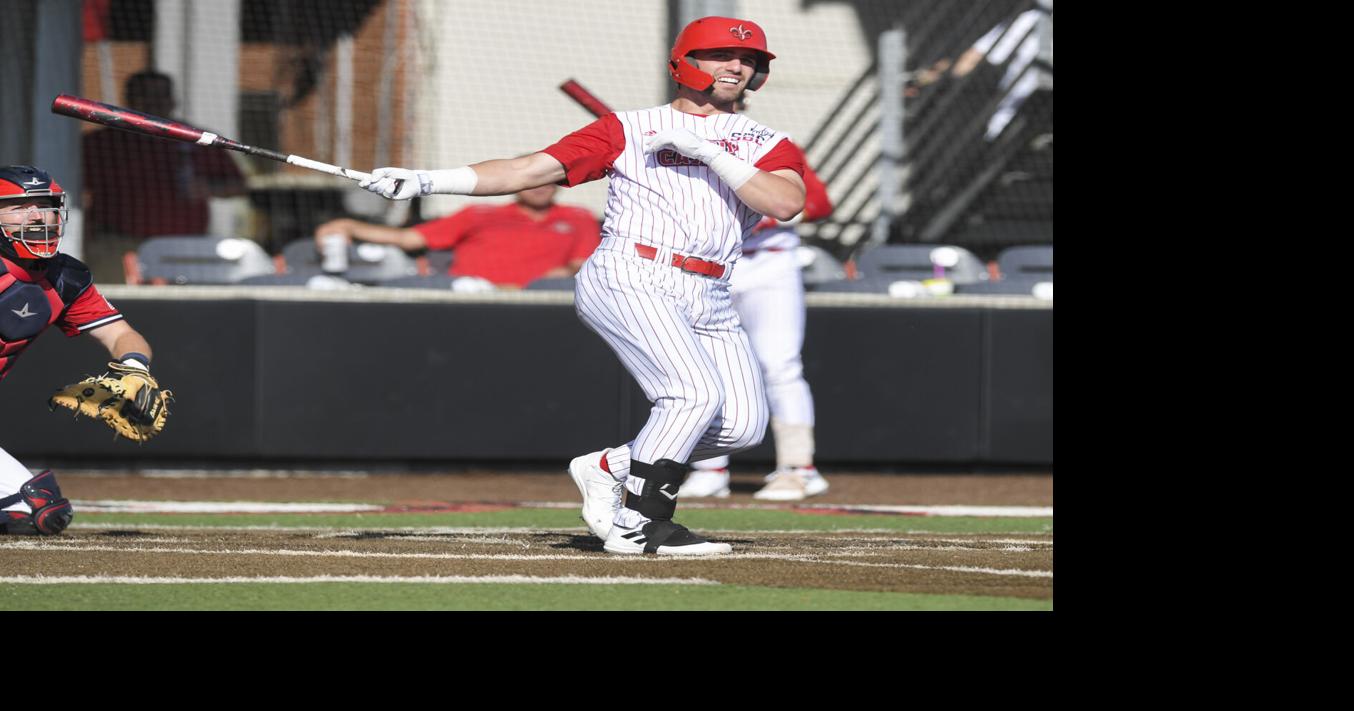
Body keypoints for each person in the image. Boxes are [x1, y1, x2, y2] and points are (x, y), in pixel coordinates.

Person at [359, 16, 806, 556]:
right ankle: (643, 524)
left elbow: (785, 203)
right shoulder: (626, 128)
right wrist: (428, 180)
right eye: (720, 55)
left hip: (711, 287)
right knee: (692, 394)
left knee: (740, 427)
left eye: (749, 59)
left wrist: (711, 152)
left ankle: (605, 467)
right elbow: (526, 171)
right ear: (686, 61)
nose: (737, 66)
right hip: (631, 272)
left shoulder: (766, 141)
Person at [680, 92, 833, 502]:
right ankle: (709, 468)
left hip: (769, 263)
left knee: (778, 364)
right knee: (706, 365)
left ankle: (799, 469)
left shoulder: (770, 142)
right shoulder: (675, 140)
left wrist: (757, 208)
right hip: (711, 263)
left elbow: (816, 202)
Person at [0, 165, 160, 535]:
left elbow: (122, 334)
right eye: (20, 207)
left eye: (45, 205)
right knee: (37, 506)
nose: (37, 216)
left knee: (39, 511)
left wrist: (135, 368)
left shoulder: (64, 277)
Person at [82, 70, 247, 281]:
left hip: (182, 246)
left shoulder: (196, 139)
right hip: (119, 245)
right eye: (145, 95)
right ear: (129, 100)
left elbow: (239, 185)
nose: (154, 103)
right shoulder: (102, 143)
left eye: (161, 96)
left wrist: (208, 187)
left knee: (182, 308)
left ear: (172, 101)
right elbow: (73, 192)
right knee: (115, 306)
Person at [311, 184, 600, 289]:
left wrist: (554, 278)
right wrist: (349, 226)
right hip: (467, 295)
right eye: (534, 180)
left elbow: (582, 266)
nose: (541, 187)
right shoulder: (480, 213)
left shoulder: (578, 217)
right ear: (517, 183)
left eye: (549, 180)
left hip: (535, 303)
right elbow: (409, 239)